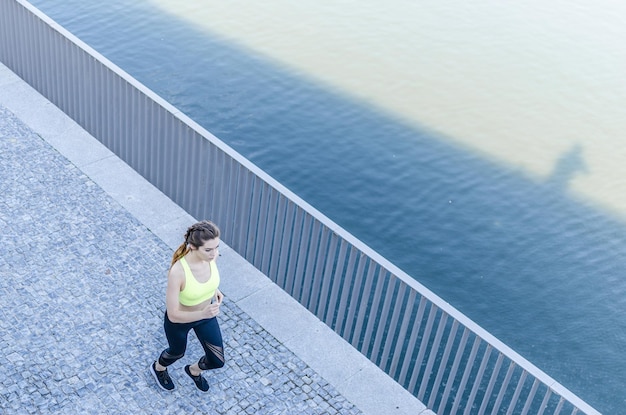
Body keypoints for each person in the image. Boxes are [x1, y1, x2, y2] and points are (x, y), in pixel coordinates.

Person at [150, 220, 225, 392]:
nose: (214, 254)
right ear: (192, 246)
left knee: (217, 361)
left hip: (205, 316)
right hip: (181, 321)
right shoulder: (178, 272)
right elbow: (173, 315)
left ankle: (193, 370)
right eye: (208, 250)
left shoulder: (210, 257)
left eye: (216, 247)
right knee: (177, 352)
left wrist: (215, 289)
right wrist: (204, 313)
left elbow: (206, 279)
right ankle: (158, 368)